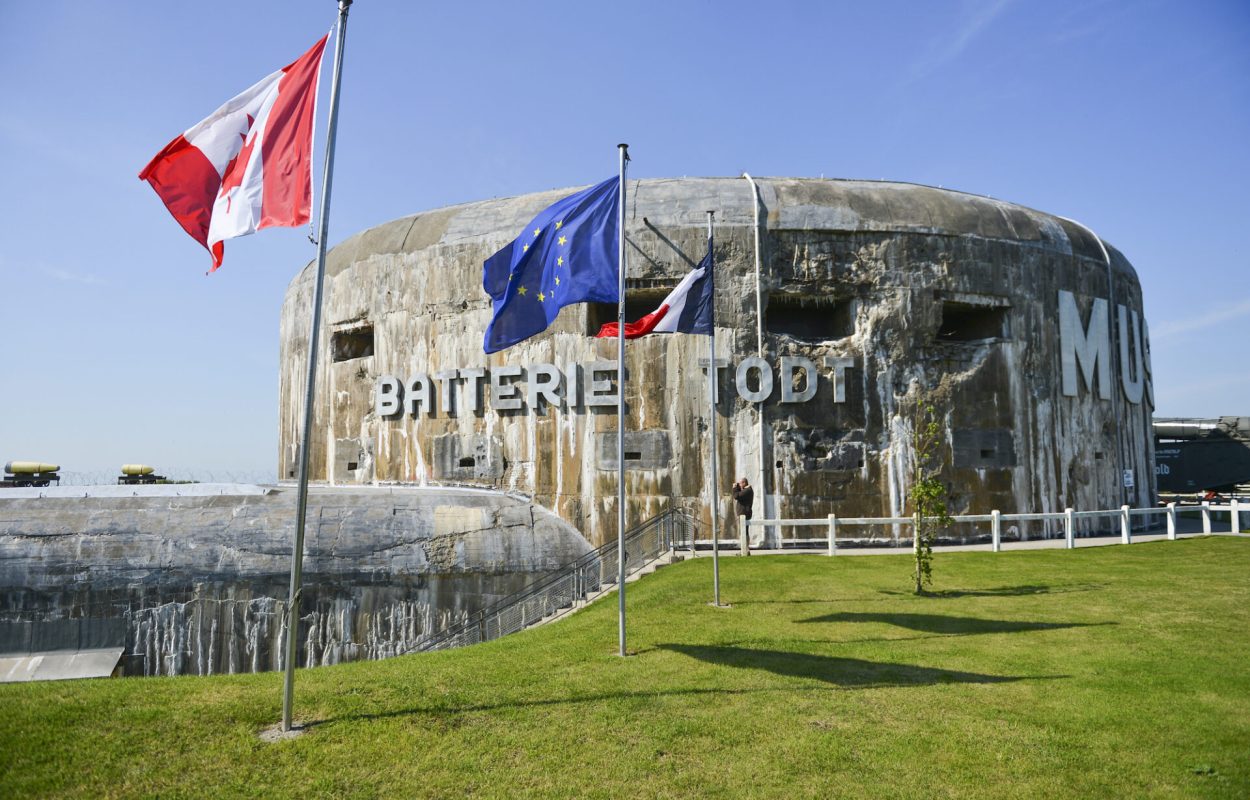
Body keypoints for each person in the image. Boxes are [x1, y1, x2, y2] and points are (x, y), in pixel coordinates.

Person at [732, 478, 755, 550]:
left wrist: (734, 488)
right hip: (744, 513)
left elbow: (736, 496)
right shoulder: (746, 490)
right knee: (744, 531)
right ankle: (745, 548)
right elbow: (739, 495)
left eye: (741, 483)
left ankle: (745, 548)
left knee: (744, 531)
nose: (740, 485)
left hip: (744, 513)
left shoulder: (747, 490)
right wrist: (738, 488)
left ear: (744, 483)